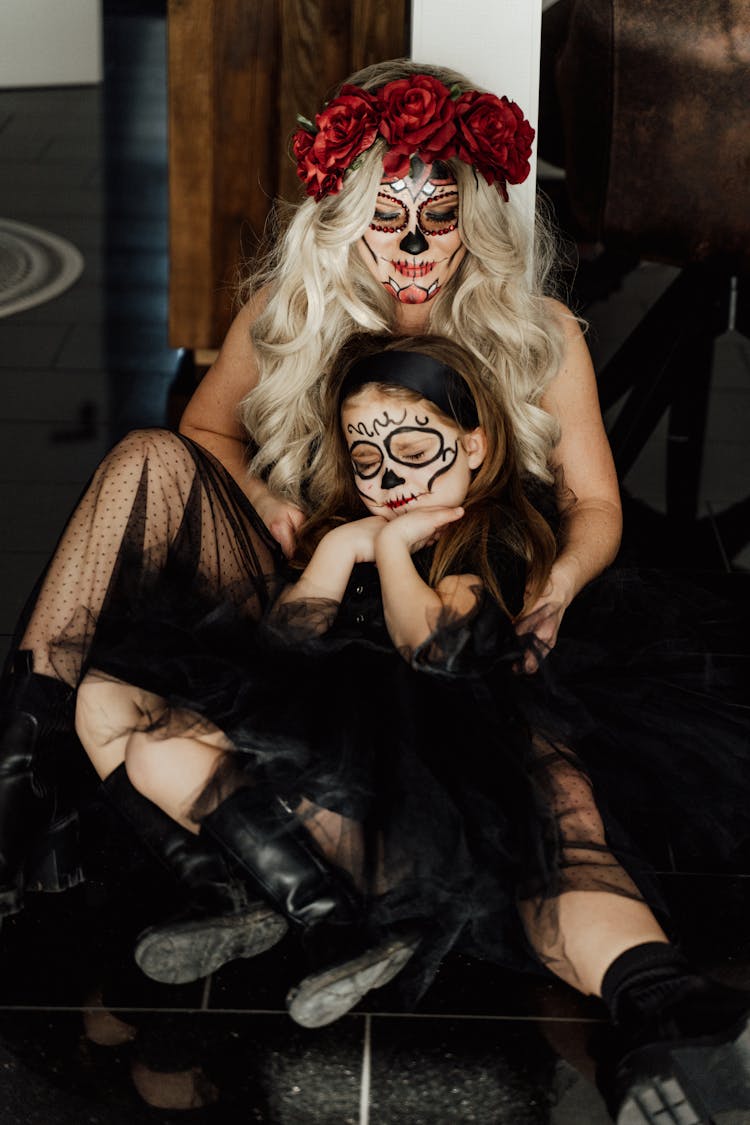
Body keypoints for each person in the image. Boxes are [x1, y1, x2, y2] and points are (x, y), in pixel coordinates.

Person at [0, 59, 617, 965]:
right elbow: (205, 426)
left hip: (446, 602)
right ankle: (16, 782)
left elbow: (593, 501)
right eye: (383, 215)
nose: (411, 245)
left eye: (436, 218)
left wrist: (560, 583)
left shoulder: (541, 330)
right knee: (144, 456)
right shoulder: (293, 305)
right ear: (342, 220)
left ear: (474, 218)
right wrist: (260, 497)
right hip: (300, 587)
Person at [73, 333, 750, 1125]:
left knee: (562, 856)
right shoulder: (353, 529)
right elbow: (287, 642)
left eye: (413, 444)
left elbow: (435, 648)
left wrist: (393, 548)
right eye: (365, 456)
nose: (389, 473)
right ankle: (246, 887)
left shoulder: (486, 532)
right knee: (103, 702)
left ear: (475, 444)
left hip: (430, 755)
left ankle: (666, 1014)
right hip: (321, 737)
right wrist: (333, 554)